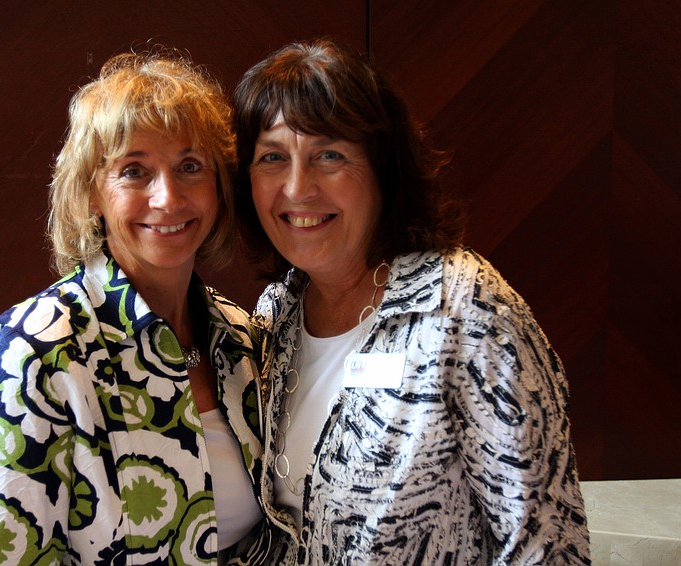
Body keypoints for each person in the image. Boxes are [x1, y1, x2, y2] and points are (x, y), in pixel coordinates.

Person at [233, 39, 590, 564]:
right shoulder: (275, 317)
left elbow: (544, 544)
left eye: (329, 154)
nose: (297, 187)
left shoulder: (464, 310)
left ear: (382, 170)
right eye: (272, 158)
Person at [0, 50, 271, 565]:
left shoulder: (242, 339)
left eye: (190, 166)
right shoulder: (25, 358)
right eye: (134, 171)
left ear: (219, 186)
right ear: (93, 193)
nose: (167, 198)